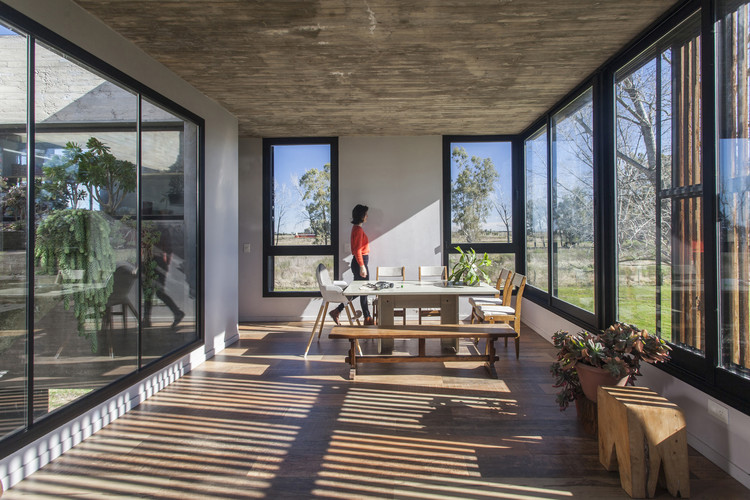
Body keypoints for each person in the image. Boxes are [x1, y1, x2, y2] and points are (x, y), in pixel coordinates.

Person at [330, 204, 374, 325]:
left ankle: (338, 311)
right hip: (361, 262)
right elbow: (358, 250)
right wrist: (362, 266)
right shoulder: (358, 230)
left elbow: (356, 250)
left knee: (360, 291)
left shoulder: (356, 228)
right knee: (363, 290)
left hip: (359, 261)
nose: (367, 216)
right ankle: (367, 318)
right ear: (361, 216)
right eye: (365, 214)